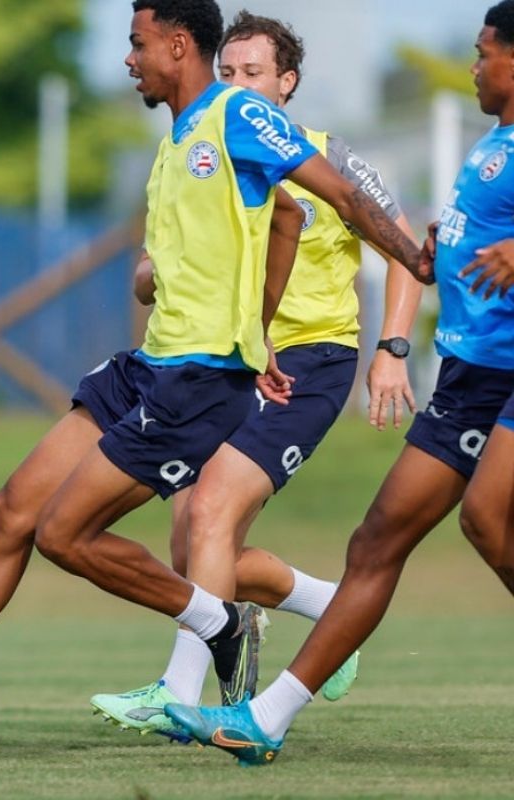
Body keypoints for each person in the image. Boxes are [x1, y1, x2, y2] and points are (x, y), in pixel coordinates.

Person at [0, 0, 427, 757]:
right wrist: (253, 323)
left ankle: (219, 625)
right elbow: (281, 225)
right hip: (147, 366)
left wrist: (412, 260)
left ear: (178, 44)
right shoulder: (175, 140)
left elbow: (335, 199)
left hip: (198, 380)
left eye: (138, 44)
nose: (129, 60)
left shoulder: (237, 115)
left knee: (65, 535)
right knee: (11, 510)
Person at [165, 0, 514, 766]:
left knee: (487, 520)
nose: (474, 65)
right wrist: (447, 248)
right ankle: (266, 719)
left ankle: (193, 691)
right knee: (376, 539)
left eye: (485, 51)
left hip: (497, 371)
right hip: (470, 374)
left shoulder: (328, 156)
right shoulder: (495, 142)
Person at [90, 10, 424, 741]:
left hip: (310, 364)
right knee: (193, 547)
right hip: (235, 362)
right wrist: (152, 274)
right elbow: (160, 262)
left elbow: (399, 245)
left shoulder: (326, 157)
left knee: (209, 513)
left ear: (287, 82)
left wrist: (393, 349)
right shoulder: (207, 152)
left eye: (253, 73)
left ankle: (178, 694)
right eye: (229, 72)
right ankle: (333, 610)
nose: (237, 85)